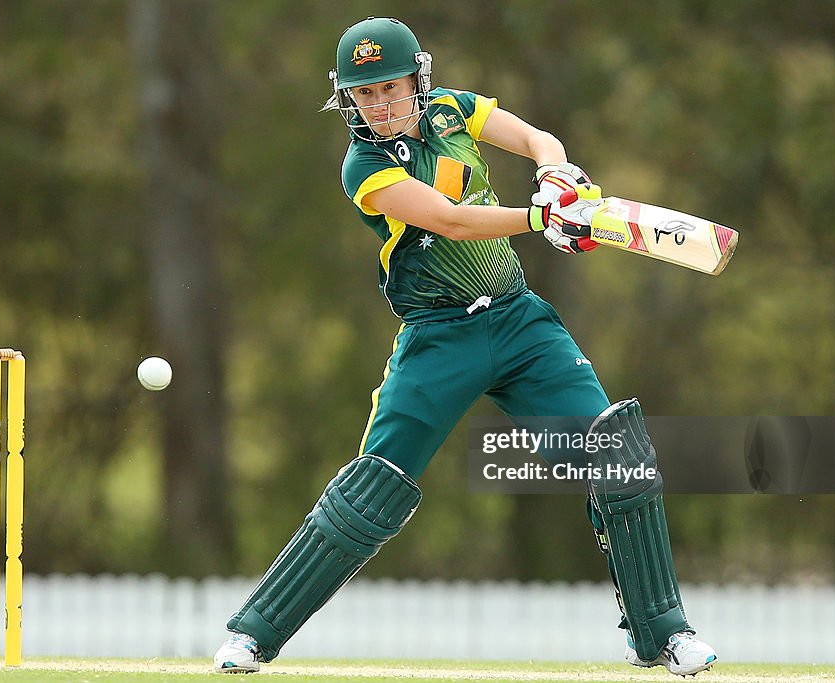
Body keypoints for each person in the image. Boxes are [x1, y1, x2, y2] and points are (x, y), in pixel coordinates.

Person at [213, 16, 717, 677]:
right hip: (437, 337)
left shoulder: (453, 109)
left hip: (519, 323)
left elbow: (536, 136)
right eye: (365, 95)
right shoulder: (362, 166)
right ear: (347, 99)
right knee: (374, 487)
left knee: (615, 448)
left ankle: (663, 634)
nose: (382, 106)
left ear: (419, 80)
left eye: (391, 88)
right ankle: (253, 635)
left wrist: (556, 172)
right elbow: (450, 220)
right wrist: (544, 218)